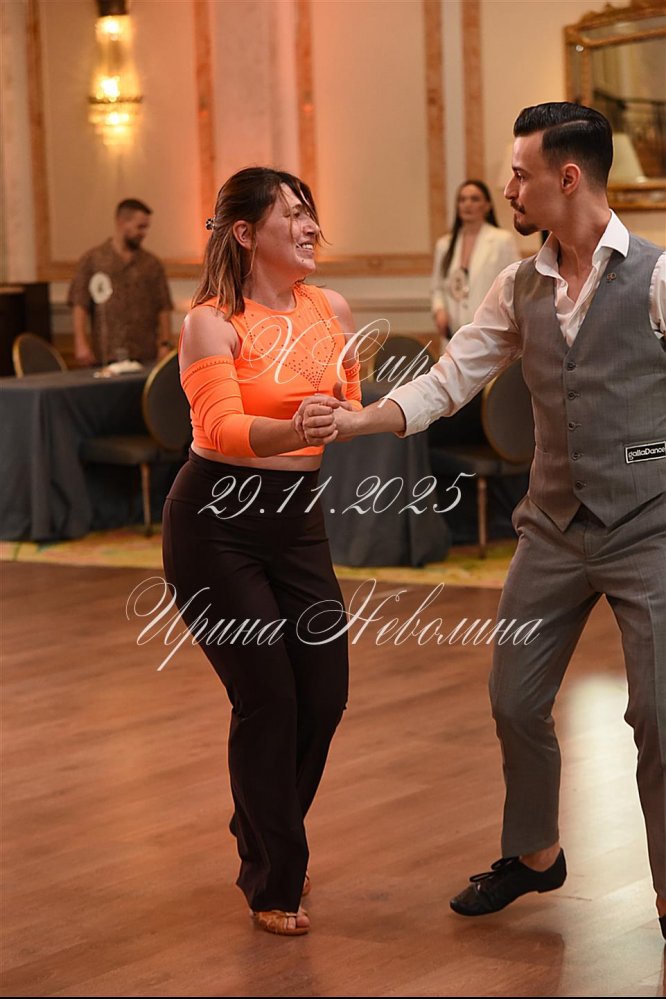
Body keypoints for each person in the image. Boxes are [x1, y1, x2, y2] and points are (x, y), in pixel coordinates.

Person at [297, 102, 666, 938]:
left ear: (566, 177)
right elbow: (450, 378)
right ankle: (536, 854)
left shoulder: (655, 277)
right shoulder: (518, 284)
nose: (508, 187)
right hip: (553, 526)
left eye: (519, 174)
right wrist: (361, 418)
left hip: (650, 525)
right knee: (513, 698)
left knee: (659, 714)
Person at [161, 167, 361, 937]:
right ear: (245, 233)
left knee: (325, 693)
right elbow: (221, 429)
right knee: (269, 699)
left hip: (298, 519)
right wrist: (298, 426)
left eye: (311, 213)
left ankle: (260, 823)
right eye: (293, 215)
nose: (310, 227)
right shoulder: (211, 322)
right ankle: (274, 876)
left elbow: (347, 400)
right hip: (216, 522)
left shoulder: (331, 308)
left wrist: (343, 416)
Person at [68, 198, 173, 366]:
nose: (144, 233)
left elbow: (163, 306)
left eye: (146, 227)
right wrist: (80, 343)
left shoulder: (151, 264)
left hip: (145, 353)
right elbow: (80, 303)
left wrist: (165, 343)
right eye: (140, 227)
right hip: (107, 352)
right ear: (121, 222)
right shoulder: (93, 260)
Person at [431, 179, 517, 343]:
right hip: (453, 335)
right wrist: (439, 310)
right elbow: (437, 288)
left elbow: (512, 286)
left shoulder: (502, 241)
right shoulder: (445, 245)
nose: (467, 204)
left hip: (490, 333)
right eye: (462, 200)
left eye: (474, 199)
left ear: (487, 205)